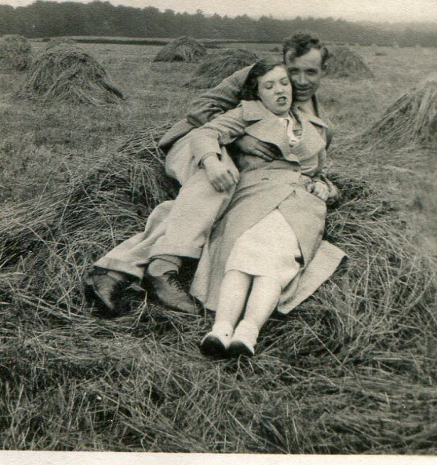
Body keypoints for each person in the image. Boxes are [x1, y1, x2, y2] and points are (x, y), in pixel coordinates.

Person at [84, 32, 336, 315]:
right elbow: (200, 109)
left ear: (323, 71)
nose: (300, 80)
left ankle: (114, 271)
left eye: (310, 72)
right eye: (293, 71)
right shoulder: (259, 75)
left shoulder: (315, 115)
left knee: (207, 209)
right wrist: (239, 139)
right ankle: (163, 268)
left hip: (237, 159)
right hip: (199, 141)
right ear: (283, 63)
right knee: (218, 181)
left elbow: (311, 161)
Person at [185, 59, 346, 357]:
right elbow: (203, 134)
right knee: (244, 250)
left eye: (284, 83)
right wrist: (212, 162)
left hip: (300, 204)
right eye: (269, 86)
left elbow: (321, 174)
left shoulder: (316, 127)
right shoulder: (247, 114)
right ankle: (221, 330)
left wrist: (324, 188)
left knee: (277, 257)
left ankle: (248, 332)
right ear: (257, 93)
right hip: (255, 195)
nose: (279, 91)